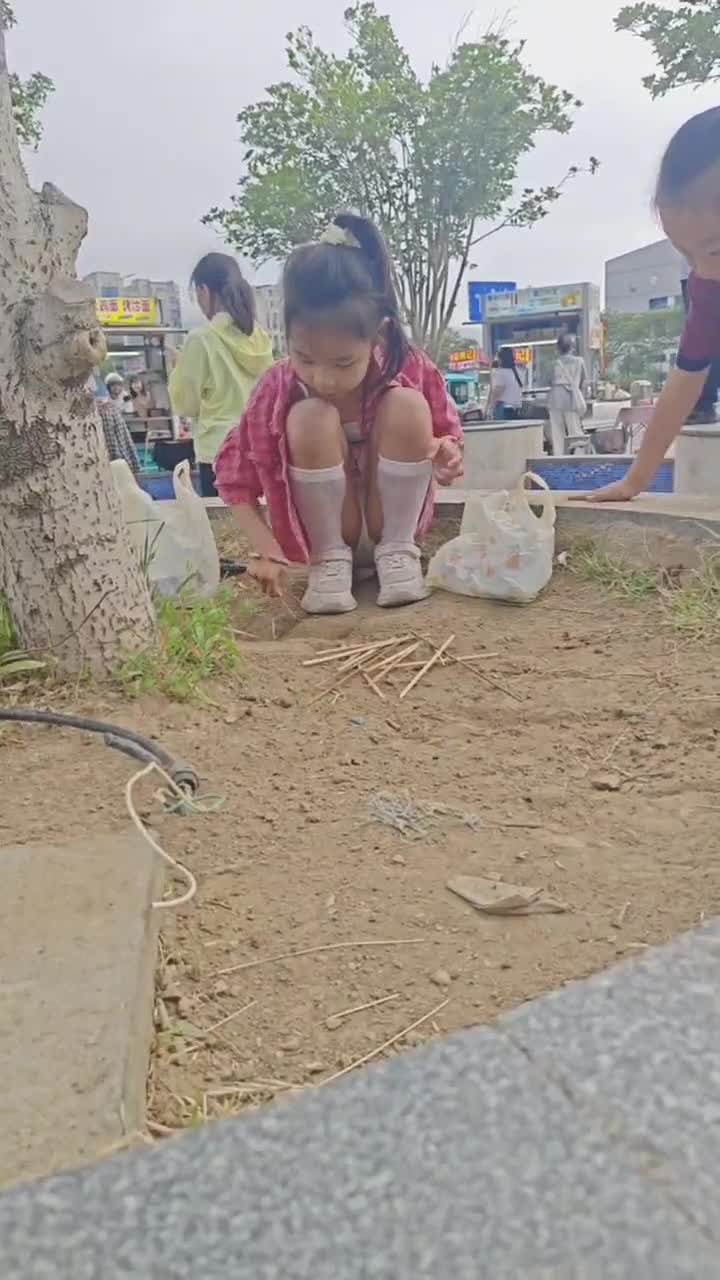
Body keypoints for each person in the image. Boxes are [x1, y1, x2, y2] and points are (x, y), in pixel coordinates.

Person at [214, 212, 463, 615]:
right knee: (310, 416)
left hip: (392, 525)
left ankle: (398, 553)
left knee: (407, 404)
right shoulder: (277, 387)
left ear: (378, 336)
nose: (323, 378)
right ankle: (330, 561)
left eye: (343, 362)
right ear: (287, 337)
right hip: (322, 539)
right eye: (305, 358)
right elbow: (234, 476)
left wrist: (446, 454)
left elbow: (446, 437)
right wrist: (265, 548)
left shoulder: (410, 366)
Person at [587, 106, 720, 501]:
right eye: (686, 253)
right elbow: (686, 378)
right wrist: (635, 480)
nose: (701, 269)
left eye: (714, 250)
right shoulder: (709, 286)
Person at [169, 252, 273, 497]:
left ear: (204, 291)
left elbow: (186, 404)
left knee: (223, 521)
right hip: (260, 448)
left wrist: (177, 368)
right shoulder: (259, 336)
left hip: (218, 452)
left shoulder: (201, 339)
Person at [547, 334, 587, 455]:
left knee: (557, 433)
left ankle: (559, 458)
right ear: (572, 347)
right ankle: (579, 456)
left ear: (558, 348)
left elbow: (548, 381)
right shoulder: (579, 361)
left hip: (555, 399)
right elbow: (584, 382)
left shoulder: (554, 363)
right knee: (575, 431)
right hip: (571, 399)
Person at [95, 387, 140, 475]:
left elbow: (111, 442)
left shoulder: (105, 412)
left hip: (113, 461)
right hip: (123, 458)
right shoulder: (112, 409)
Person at [487, 347, 523, 420]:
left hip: (503, 408)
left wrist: (490, 408)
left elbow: (497, 391)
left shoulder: (501, 373)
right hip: (517, 408)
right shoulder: (518, 371)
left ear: (501, 358)